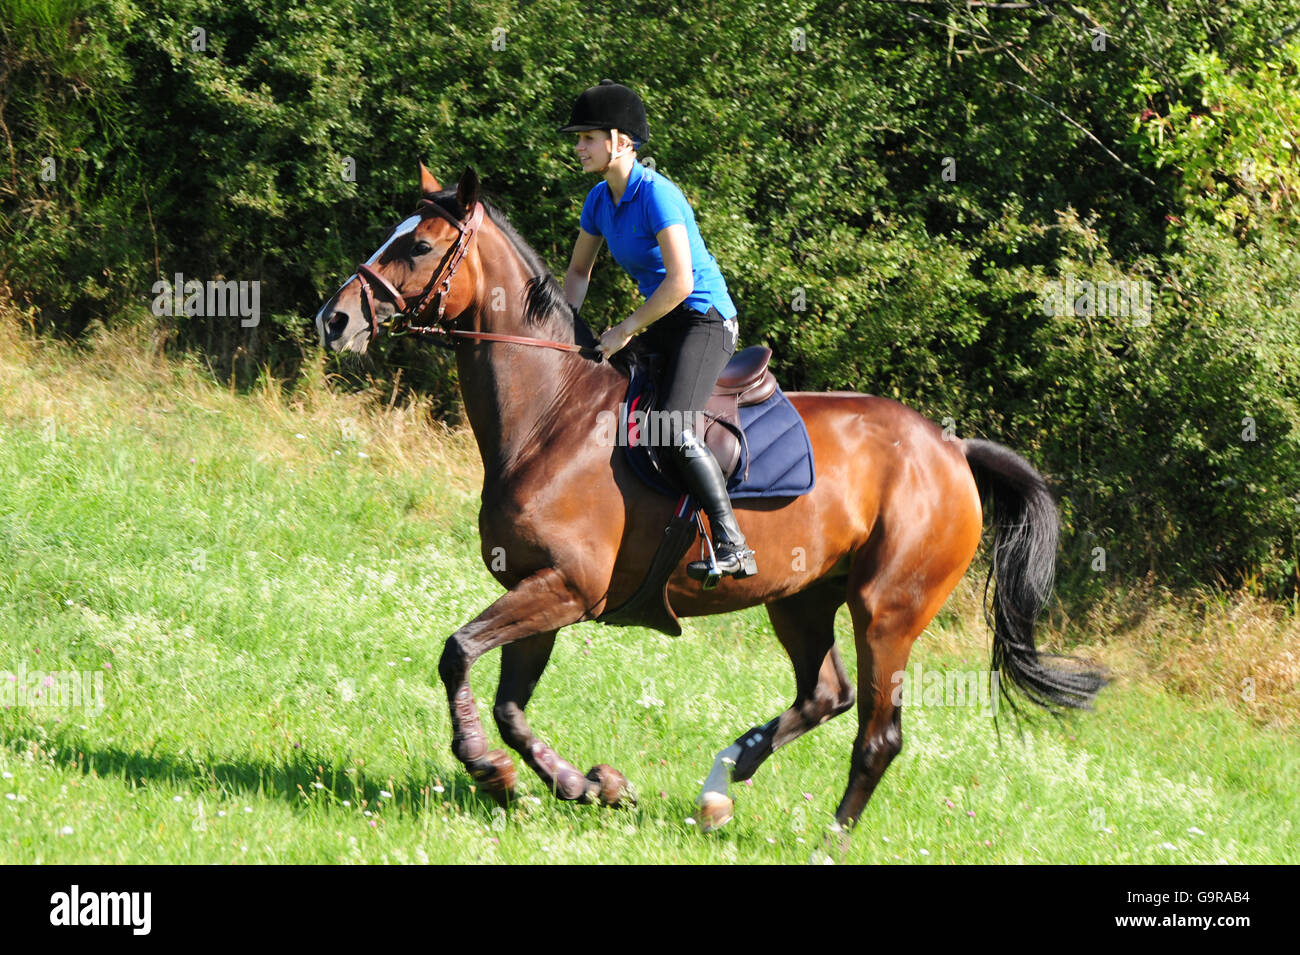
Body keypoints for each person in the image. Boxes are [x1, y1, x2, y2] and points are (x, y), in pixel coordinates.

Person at [559, 79, 757, 582]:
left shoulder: (658, 195)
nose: (577, 147)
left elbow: (681, 282)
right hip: (665, 318)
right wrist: (566, 327)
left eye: (587, 137)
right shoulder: (599, 201)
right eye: (577, 138)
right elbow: (579, 274)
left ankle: (734, 542)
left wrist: (624, 329)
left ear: (620, 141)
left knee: (672, 424)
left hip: (705, 318)